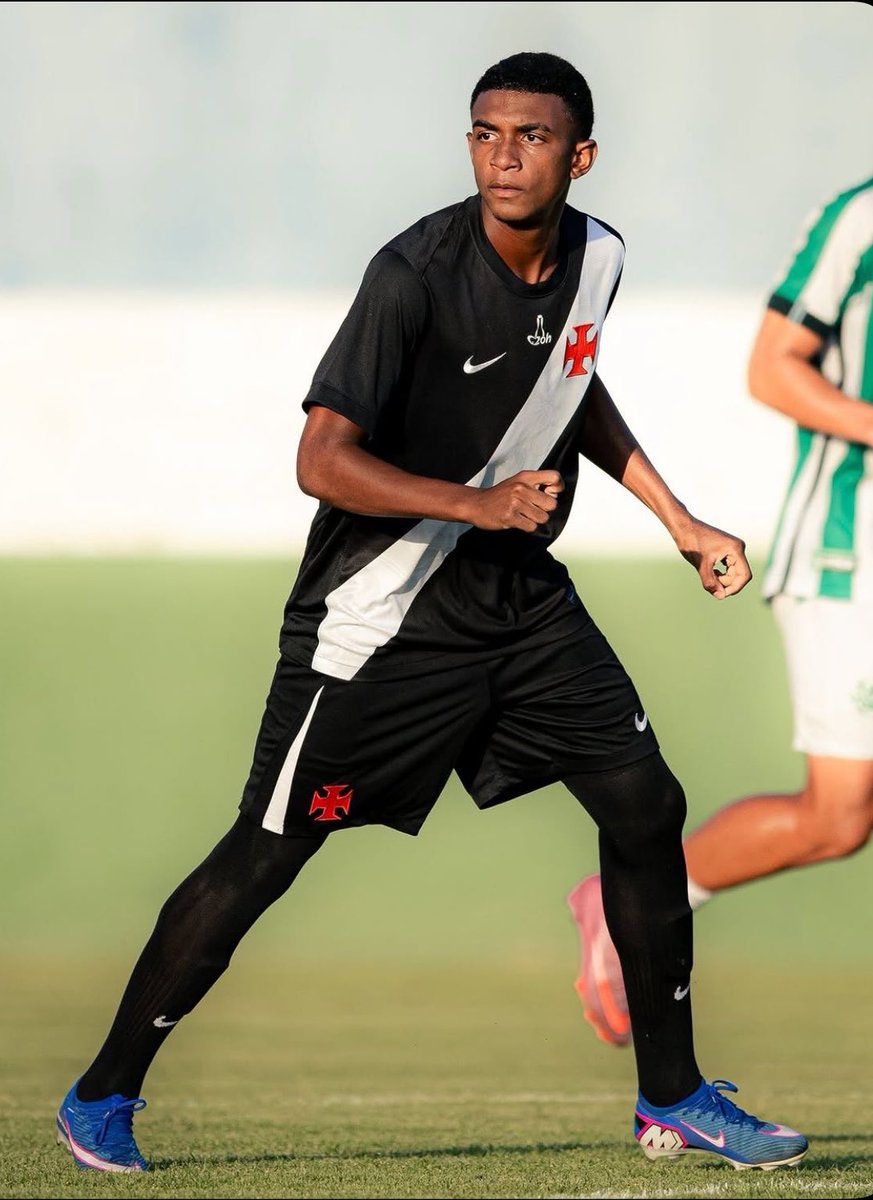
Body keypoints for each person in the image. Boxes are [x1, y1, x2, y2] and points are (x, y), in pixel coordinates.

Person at [55, 51, 809, 1175]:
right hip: (382, 613)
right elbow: (320, 460)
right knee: (268, 851)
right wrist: (477, 503)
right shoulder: (410, 274)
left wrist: (679, 518)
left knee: (646, 805)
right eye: (485, 133)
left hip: (520, 603)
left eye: (532, 136)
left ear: (580, 156)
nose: (504, 156)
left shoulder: (598, 258)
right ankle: (102, 1092)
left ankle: (672, 1096)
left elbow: (572, 384)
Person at [568, 173, 873, 1051]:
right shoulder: (860, 217)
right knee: (838, 816)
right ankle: (626, 900)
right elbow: (770, 368)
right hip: (848, 553)